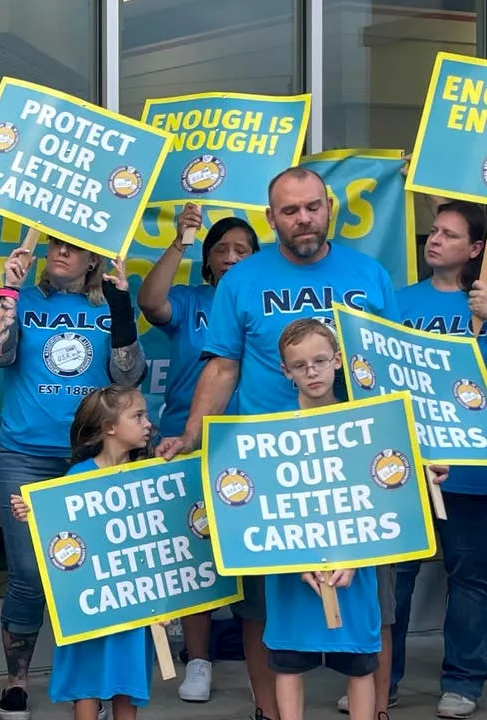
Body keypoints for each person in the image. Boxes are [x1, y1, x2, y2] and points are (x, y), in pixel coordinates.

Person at [157, 167, 400, 720]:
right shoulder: (243, 280)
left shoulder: (369, 274)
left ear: (328, 207)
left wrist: (415, 449)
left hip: (359, 462)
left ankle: (376, 711)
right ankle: (270, 714)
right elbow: (223, 365)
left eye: (312, 206)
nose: (304, 218)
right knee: (262, 606)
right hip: (267, 465)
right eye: (290, 211)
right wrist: (193, 434)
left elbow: (390, 368)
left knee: (374, 601)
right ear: (273, 219)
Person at [0, 236, 145, 720]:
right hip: (26, 456)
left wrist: (121, 306)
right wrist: (8, 293)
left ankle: (94, 687)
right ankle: (17, 682)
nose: (60, 253)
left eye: (73, 247)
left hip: (92, 458)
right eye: (54, 245)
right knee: (30, 575)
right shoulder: (26, 299)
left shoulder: (108, 301)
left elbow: (128, 375)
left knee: (94, 571)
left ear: (93, 258)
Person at [137, 203, 259, 702]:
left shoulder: (262, 299)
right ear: (208, 261)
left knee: (251, 554)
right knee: (195, 552)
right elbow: (149, 301)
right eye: (222, 250)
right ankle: (200, 659)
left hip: (251, 442)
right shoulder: (190, 300)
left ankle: (265, 667)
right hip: (187, 439)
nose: (231, 257)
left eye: (243, 250)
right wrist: (182, 238)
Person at [371, 200, 486, 720]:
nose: (433, 240)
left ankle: (463, 680)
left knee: (471, 579)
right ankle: (382, 680)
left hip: (473, 470)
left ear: (476, 249)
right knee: (395, 578)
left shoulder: (483, 303)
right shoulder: (398, 302)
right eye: (432, 231)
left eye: (448, 234)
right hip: (406, 468)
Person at [7, 385, 156, 720]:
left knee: (127, 684)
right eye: (138, 416)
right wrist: (34, 515)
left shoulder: (146, 477)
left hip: (133, 604)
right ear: (109, 427)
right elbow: (61, 537)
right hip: (89, 605)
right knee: (85, 683)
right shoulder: (77, 477)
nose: (148, 423)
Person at [267, 319, 381, 720]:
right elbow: (266, 506)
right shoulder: (269, 431)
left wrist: (354, 555)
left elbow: (380, 497)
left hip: (356, 561)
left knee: (360, 660)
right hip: (290, 566)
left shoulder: (366, 421)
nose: (311, 371)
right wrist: (296, 560)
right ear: (285, 371)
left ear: (337, 360)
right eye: (299, 365)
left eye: (319, 360)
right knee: (287, 660)